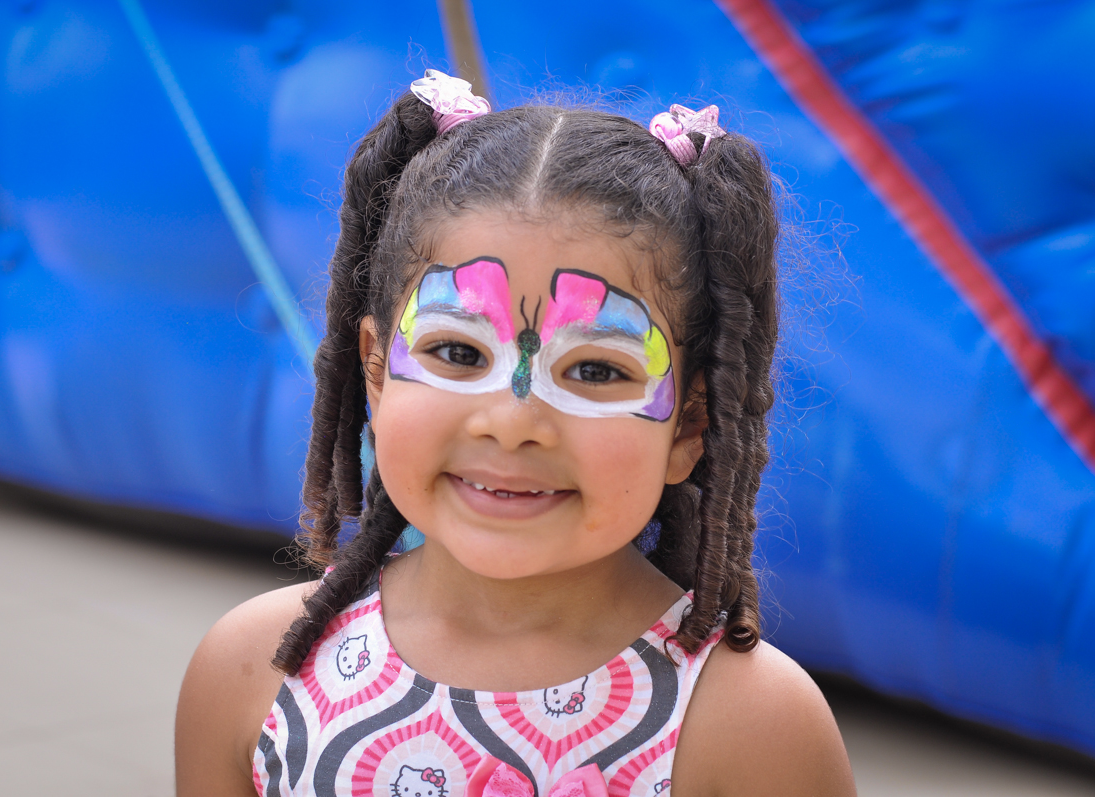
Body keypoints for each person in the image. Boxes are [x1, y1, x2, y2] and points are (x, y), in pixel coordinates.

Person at [176, 70, 855, 797]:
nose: (513, 422)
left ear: (690, 425)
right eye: (459, 352)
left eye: (596, 369)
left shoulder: (747, 726)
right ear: (375, 371)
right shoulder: (255, 672)